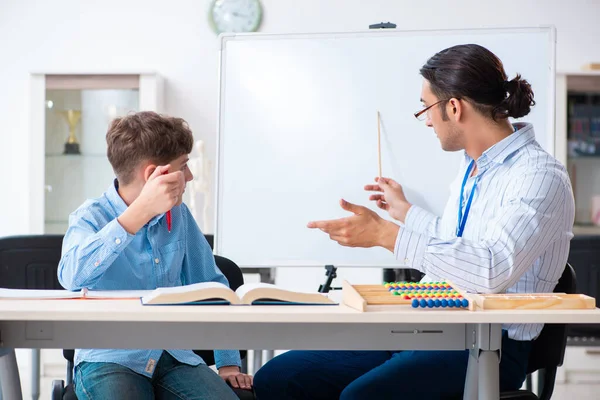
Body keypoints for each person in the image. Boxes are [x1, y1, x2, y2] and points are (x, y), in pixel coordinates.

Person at [253, 44, 575, 399]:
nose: (427, 120)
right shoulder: (473, 169)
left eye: (427, 108)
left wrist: (386, 235)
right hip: (430, 325)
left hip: (487, 346)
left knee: (362, 397)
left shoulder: (538, 175)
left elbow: (490, 269)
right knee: (279, 378)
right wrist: (404, 212)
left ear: (454, 107)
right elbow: (459, 245)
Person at [58, 111, 252, 400]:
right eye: (183, 166)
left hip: (173, 356)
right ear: (153, 175)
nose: (190, 176)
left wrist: (228, 363)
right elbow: (71, 277)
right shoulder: (90, 217)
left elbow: (212, 286)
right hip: (109, 360)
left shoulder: (179, 216)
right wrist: (138, 214)